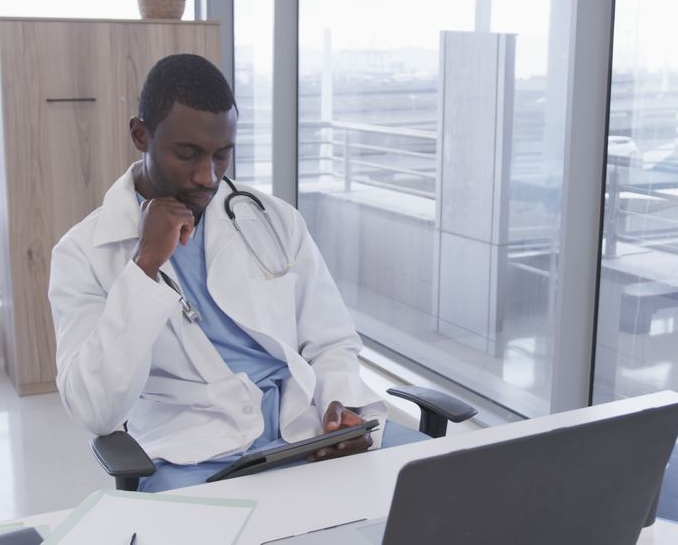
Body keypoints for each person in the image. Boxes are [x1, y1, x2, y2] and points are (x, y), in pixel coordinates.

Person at [48, 54, 426, 492]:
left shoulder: (273, 219)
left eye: (221, 155)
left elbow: (331, 340)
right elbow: (94, 410)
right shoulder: (83, 253)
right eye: (187, 155)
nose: (207, 177)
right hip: (194, 456)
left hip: (304, 432)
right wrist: (144, 266)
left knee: (439, 490)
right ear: (140, 135)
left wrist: (340, 407)